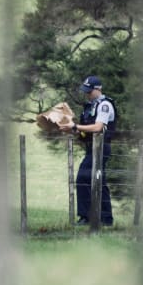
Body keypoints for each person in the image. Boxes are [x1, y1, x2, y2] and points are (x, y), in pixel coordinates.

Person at [61, 75, 115, 226]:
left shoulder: (105, 105)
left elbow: (98, 127)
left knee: (83, 179)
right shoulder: (91, 106)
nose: (87, 94)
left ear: (98, 89)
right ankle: (106, 219)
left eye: (89, 91)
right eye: (86, 91)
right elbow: (87, 131)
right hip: (92, 147)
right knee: (99, 182)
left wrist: (75, 127)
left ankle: (86, 217)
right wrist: (73, 130)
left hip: (101, 148)